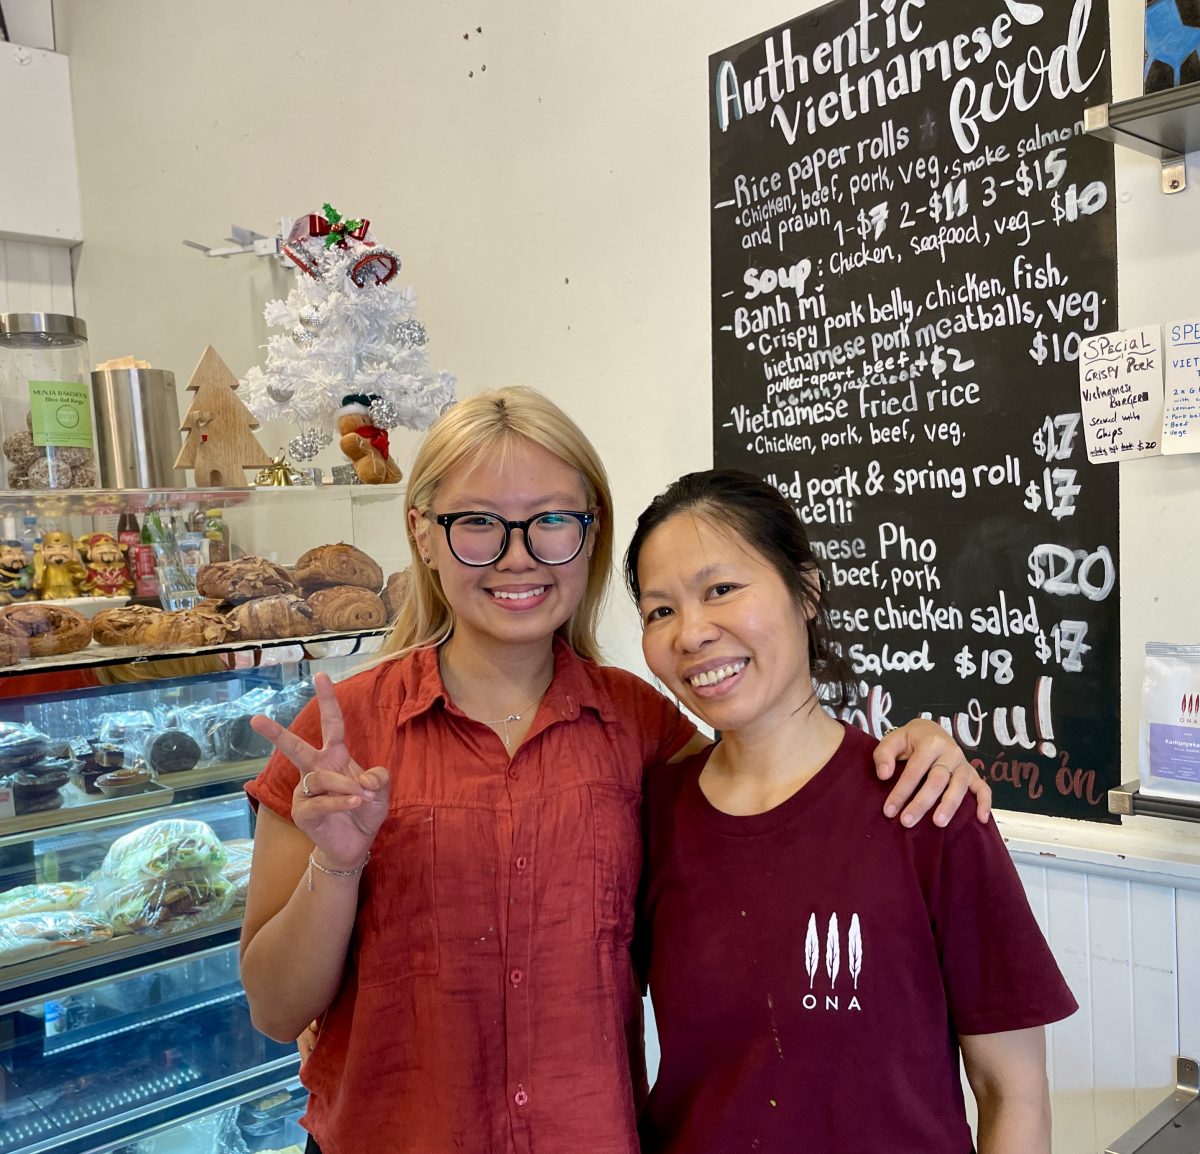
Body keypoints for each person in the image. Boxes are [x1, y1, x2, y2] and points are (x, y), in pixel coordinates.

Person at [239, 388, 990, 1154]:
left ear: (590, 535)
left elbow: (777, 778)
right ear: (423, 536)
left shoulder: (642, 728)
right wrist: (335, 864)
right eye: (477, 524)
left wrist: (916, 743)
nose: (518, 555)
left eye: (552, 520)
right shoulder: (342, 733)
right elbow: (274, 1008)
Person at [625, 468, 1077, 1154]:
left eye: (721, 589)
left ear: (806, 590)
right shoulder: (650, 816)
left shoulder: (925, 802)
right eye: (660, 611)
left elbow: (1011, 1091)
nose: (690, 634)